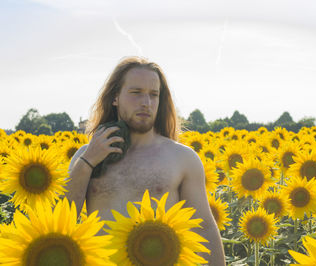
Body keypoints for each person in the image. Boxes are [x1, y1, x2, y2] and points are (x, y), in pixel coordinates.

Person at [65, 56, 225, 265]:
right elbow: (62, 221)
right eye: (136, 93)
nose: (146, 103)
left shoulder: (182, 158)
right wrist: (87, 162)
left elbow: (204, 226)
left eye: (153, 95)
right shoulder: (85, 156)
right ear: (115, 97)